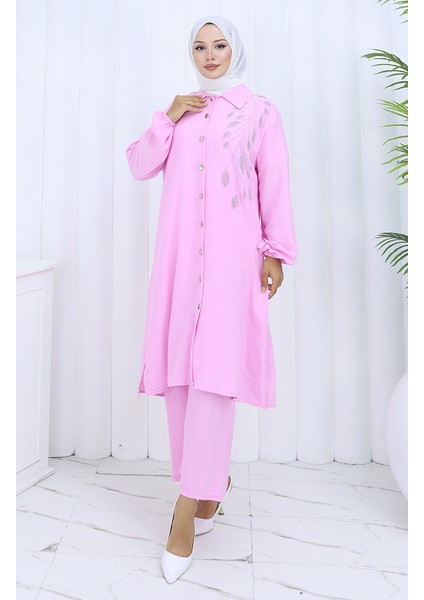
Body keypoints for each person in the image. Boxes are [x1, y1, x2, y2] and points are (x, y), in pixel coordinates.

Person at [125, 15, 298, 584]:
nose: (209, 54)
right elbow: (139, 165)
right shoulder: (181, 114)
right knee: (180, 377)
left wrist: (275, 252)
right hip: (180, 266)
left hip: (231, 265)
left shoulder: (260, 113)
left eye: (219, 44)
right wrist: (166, 117)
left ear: (235, 49)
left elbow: (274, 182)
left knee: (215, 379)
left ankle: (185, 506)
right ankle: (207, 482)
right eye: (199, 46)